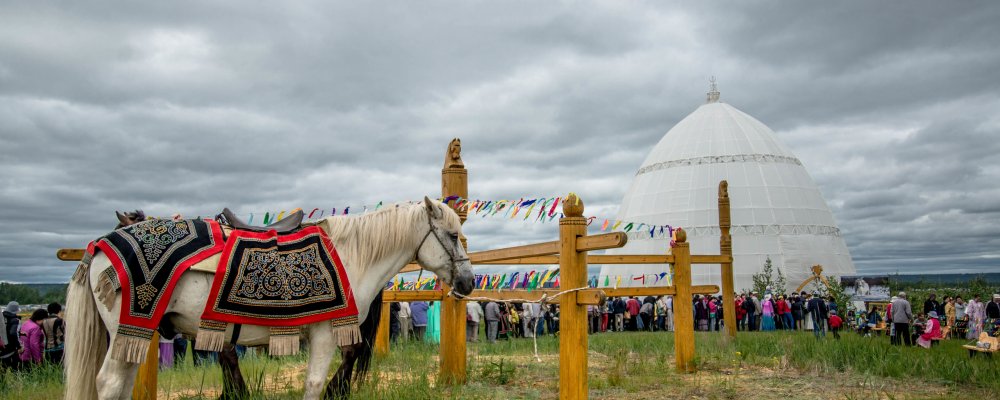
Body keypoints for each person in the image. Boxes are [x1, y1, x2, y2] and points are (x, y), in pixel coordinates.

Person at [1, 301, 21, 369]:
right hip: (11, 349)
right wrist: (18, 346)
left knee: (3, 370)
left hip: (1, 346)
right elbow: (13, 333)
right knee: (15, 369)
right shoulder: (15, 320)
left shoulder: (2, 317)